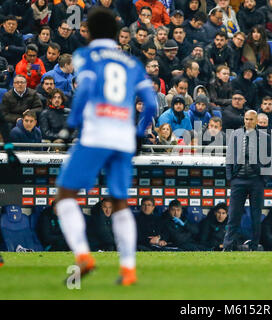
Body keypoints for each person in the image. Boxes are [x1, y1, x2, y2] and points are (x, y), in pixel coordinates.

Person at [54, 8, 157, 286]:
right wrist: (138, 134)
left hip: (96, 134)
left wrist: (69, 127)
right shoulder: (131, 62)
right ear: (115, 34)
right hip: (123, 137)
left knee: (65, 195)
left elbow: (85, 89)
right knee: (121, 202)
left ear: (89, 32)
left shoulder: (86, 56)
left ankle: (84, 256)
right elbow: (151, 104)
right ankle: (128, 270)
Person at [224, 110, 272, 251]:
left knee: (256, 216)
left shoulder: (265, 137)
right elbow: (229, 157)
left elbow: (269, 161)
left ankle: (254, 245)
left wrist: (263, 180)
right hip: (238, 180)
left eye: (251, 119)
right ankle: (228, 246)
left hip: (256, 180)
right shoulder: (235, 134)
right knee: (233, 215)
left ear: (256, 121)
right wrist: (230, 178)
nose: (248, 122)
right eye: (246, 119)